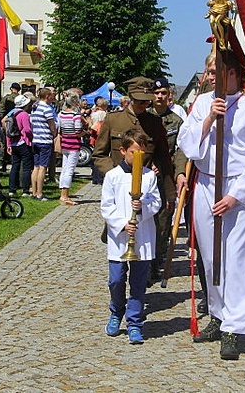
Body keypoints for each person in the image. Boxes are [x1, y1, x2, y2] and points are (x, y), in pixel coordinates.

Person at [177, 52, 245, 361]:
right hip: (206, 184)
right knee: (212, 258)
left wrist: (237, 195)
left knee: (239, 259)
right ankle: (218, 316)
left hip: (239, 192)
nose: (210, 76)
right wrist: (207, 121)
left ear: (232, 72)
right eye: (208, 70)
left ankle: (235, 326)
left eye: (215, 70)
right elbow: (187, 144)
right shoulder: (203, 102)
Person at [101, 129, 161, 345]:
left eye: (142, 153)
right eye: (134, 152)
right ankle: (117, 311)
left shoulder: (149, 176)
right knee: (116, 279)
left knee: (138, 282)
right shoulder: (113, 176)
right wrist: (122, 224)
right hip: (120, 238)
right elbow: (107, 207)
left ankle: (135, 322)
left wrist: (143, 207)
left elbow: (156, 202)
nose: (138, 157)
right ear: (123, 150)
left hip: (142, 236)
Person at [92, 77, 175, 205]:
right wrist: (113, 174)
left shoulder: (155, 123)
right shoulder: (113, 120)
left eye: (147, 101)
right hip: (118, 187)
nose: (144, 104)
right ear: (131, 97)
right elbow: (99, 154)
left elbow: (164, 160)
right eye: (139, 101)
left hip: (146, 188)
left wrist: (170, 193)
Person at [148, 77, 187, 282]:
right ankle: (143, 265)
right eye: (157, 93)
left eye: (163, 93)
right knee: (145, 220)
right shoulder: (143, 117)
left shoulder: (176, 122)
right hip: (145, 178)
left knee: (163, 223)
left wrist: (178, 172)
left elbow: (180, 151)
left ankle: (156, 261)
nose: (160, 97)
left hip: (165, 178)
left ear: (169, 95)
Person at [29, 88, 57, 202]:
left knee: (36, 167)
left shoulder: (34, 107)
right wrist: (54, 133)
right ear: (47, 96)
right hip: (45, 140)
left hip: (35, 139)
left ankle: (34, 191)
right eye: (51, 95)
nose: (53, 97)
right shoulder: (47, 108)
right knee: (42, 168)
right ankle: (40, 193)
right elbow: (52, 125)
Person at [58, 91, 85, 205]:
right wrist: (84, 133)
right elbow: (78, 131)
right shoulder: (76, 115)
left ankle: (62, 194)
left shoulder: (61, 114)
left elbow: (60, 129)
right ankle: (65, 195)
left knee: (64, 168)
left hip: (65, 143)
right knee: (70, 170)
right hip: (74, 144)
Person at [4, 94, 33, 197]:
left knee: (14, 166)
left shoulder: (11, 113)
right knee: (26, 167)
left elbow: (8, 131)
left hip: (13, 143)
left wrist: (8, 145)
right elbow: (27, 129)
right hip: (23, 142)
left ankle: (12, 189)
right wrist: (31, 137)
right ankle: (25, 190)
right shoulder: (24, 114)